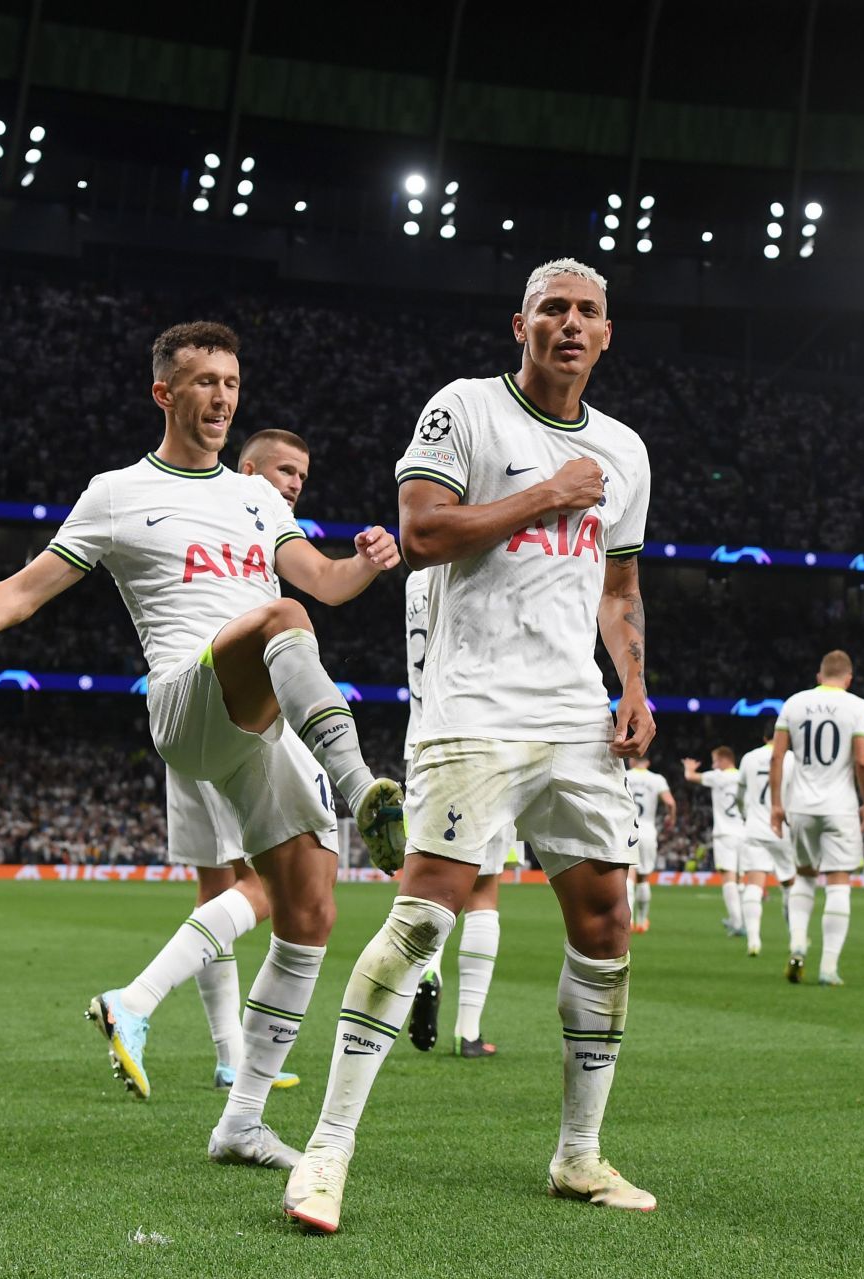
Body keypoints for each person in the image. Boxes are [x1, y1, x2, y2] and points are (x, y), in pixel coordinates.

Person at [0, 322, 406, 1170]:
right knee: (279, 620)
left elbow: (321, 582)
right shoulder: (115, 492)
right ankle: (361, 783)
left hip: (262, 714)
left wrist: (366, 562)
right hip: (187, 697)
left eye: (232, 382)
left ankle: (241, 1122)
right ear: (164, 393)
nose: (222, 397)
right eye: (205, 382)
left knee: (310, 911)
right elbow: (22, 592)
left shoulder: (258, 497)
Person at [282, 259, 657, 1232]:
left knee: (607, 924)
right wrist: (546, 494)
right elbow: (422, 529)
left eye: (588, 313)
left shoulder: (624, 450)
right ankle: (325, 1154)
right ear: (520, 325)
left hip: (576, 712)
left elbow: (619, 592)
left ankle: (579, 1156)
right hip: (473, 705)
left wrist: (633, 685)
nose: (570, 325)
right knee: (422, 918)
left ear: (607, 334)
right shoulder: (466, 410)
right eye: (553, 311)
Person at [97, 428, 319, 1096]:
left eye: (303, 477)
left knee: (216, 889)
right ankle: (135, 998)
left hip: (195, 706)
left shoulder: (263, 529)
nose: (293, 484)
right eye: (284, 469)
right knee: (272, 888)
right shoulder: (234, 509)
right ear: (247, 470)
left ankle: (230, 1057)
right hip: (228, 716)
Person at [402, 564, 502, 1059]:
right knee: (483, 891)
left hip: (421, 742)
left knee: (433, 888)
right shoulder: (485, 564)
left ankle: (428, 968)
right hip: (483, 739)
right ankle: (469, 1031)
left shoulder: (415, 579)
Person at [770, 650, 864, 986]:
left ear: (819, 675)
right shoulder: (858, 706)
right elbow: (861, 761)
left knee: (804, 876)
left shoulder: (794, 703)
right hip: (840, 805)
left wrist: (776, 804)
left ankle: (798, 943)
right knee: (838, 881)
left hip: (800, 804)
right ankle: (829, 968)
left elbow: (778, 756)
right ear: (849, 678)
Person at [735, 730, 795, 957]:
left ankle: (753, 940)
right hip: (783, 829)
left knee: (754, 884)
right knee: (790, 885)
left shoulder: (749, 758)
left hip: (755, 827)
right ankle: (795, 938)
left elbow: (740, 794)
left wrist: (745, 814)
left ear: (764, 737)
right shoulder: (791, 759)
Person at [682, 747, 746, 938]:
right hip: (745, 832)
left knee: (728, 878)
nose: (713, 765)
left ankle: (736, 923)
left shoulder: (718, 777)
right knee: (742, 878)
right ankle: (744, 919)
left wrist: (688, 767)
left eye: (715, 761)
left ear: (725, 760)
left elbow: (691, 777)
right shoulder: (744, 776)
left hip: (725, 834)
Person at [625, 756, 677, 932]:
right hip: (647, 831)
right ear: (648, 762)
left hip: (627, 828)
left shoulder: (625, 774)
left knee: (629, 874)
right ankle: (642, 921)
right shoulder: (657, 779)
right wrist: (671, 818)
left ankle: (628, 920)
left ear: (632, 760)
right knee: (644, 877)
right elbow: (670, 802)